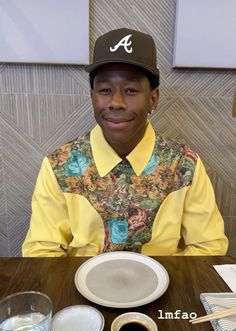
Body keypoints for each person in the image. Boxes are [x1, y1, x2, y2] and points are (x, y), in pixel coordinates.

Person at [22, 28, 228, 257]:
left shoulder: (184, 165)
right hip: (80, 287)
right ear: (92, 96)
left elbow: (209, 248)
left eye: (130, 90)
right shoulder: (60, 165)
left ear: (153, 98)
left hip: (164, 287)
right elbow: (41, 253)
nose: (116, 102)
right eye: (105, 90)